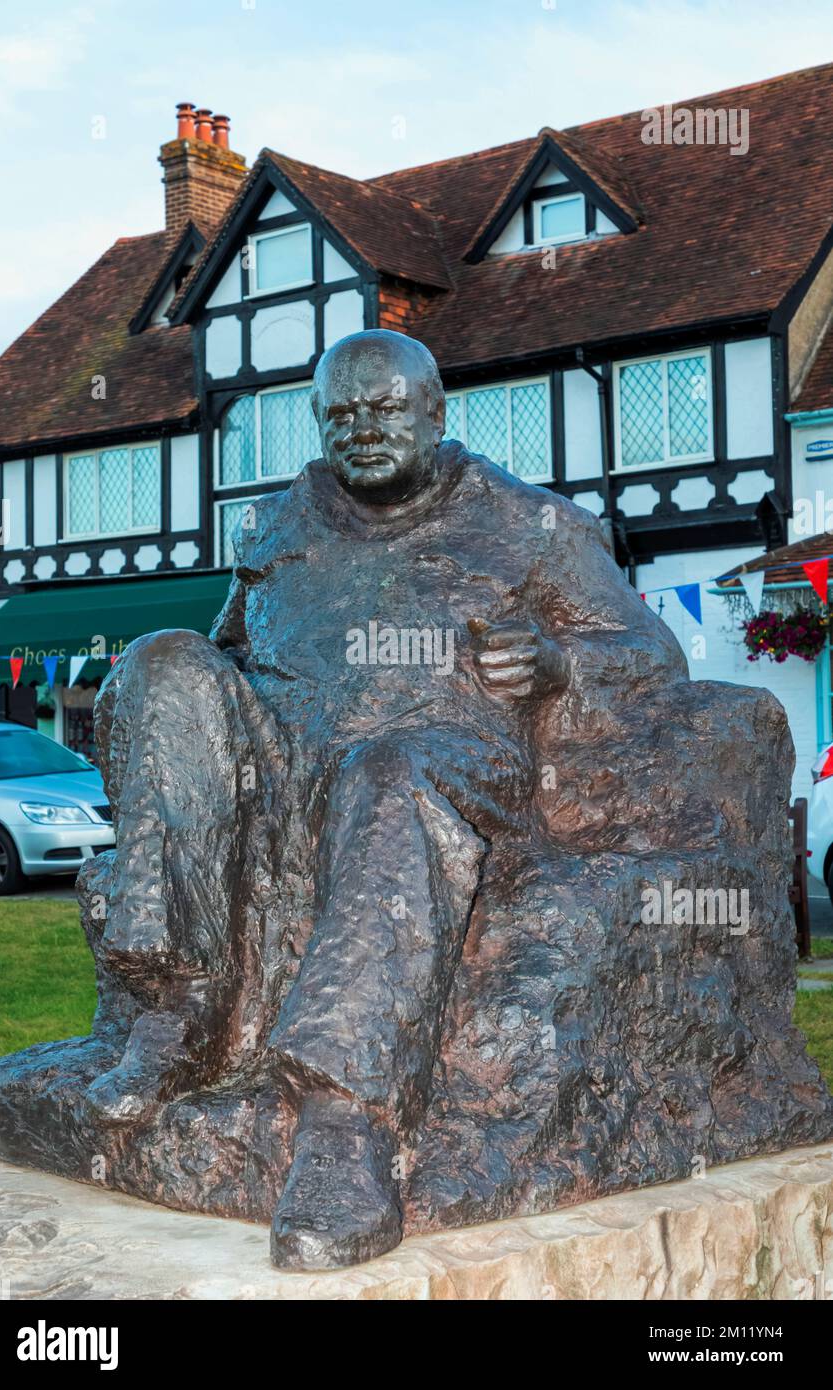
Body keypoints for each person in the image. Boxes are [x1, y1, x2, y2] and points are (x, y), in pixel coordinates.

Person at [85, 329, 686, 1269]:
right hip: (289, 756)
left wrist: (558, 661)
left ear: (437, 415)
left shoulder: (530, 526)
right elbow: (229, 652)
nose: (362, 429)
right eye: (340, 414)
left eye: (385, 408)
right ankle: (178, 1008)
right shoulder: (282, 523)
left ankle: (343, 1125)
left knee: (387, 769)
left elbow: (651, 656)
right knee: (165, 659)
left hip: (438, 757)